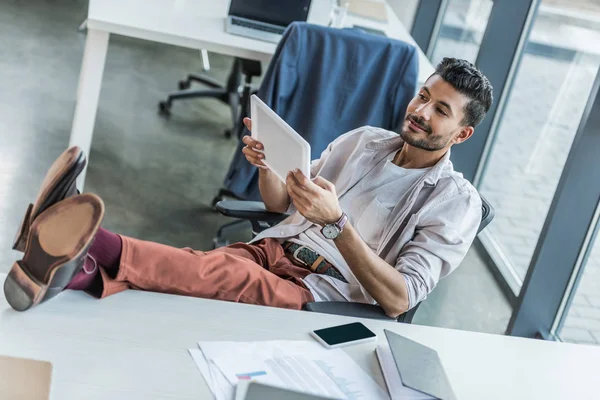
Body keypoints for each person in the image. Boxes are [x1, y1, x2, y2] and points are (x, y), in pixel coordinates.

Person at [5, 57, 493, 317]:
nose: (421, 112)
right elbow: (278, 204)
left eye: (441, 111)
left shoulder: (455, 203)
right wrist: (268, 167)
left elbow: (400, 299)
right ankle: (68, 272)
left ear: (463, 133)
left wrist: (337, 223)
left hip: (322, 293)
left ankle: (87, 241)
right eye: (423, 96)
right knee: (189, 274)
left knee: (216, 275)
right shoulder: (365, 141)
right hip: (275, 249)